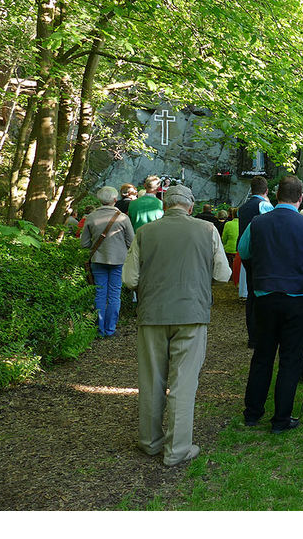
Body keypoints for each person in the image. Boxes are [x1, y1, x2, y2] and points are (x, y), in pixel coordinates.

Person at [123, 184, 231, 466]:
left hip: (152, 315)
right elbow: (222, 274)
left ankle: (150, 442)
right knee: (184, 384)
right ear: (191, 206)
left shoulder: (145, 233)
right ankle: (177, 449)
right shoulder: (207, 231)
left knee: (151, 380)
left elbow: (129, 279)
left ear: (165, 206)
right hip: (192, 313)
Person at [238, 175, 303, 432]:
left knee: (262, 356)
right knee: (290, 359)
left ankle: (252, 412)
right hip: (297, 300)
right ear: (301, 198)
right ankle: (281, 419)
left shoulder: (257, 223)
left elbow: (244, 252)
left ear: (276, 196)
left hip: (265, 298)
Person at [80, 186, 135, 338]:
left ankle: (100, 329)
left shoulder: (91, 217)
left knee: (100, 294)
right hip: (118, 261)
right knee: (114, 295)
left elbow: (84, 243)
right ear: (115, 200)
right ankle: (110, 329)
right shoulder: (123, 218)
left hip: (97, 260)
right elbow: (132, 242)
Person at [237, 176, 274, 348]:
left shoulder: (242, 208)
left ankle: (252, 334)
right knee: (262, 293)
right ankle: (261, 333)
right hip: (261, 254)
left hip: (246, 253)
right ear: (266, 191)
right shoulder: (264, 205)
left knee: (252, 292)